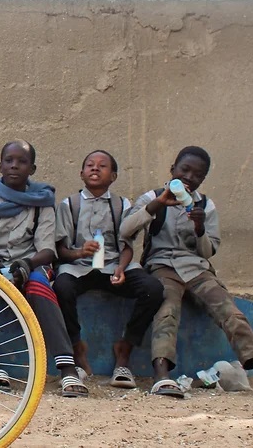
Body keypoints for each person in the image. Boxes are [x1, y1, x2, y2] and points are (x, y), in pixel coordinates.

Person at [119, 146, 253, 399]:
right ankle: (162, 376)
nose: (189, 177)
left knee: (229, 312)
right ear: (172, 169)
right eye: (184, 170)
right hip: (163, 266)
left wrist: (199, 228)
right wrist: (157, 204)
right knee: (167, 312)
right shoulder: (152, 197)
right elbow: (125, 230)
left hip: (197, 269)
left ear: (202, 179)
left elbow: (208, 251)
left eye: (197, 174)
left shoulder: (205, 205)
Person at [0, 140, 89, 397]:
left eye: (22, 162)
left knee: (40, 287)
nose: (14, 166)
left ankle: (67, 368)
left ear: (33, 169)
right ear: (0, 165)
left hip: (29, 263)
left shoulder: (42, 201)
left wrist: (27, 264)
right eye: (9, 161)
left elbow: (48, 250)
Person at [52, 150, 164, 389]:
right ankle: (76, 347)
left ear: (113, 176)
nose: (95, 168)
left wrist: (122, 269)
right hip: (78, 267)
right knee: (61, 287)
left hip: (112, 265)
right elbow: (61, 250)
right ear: (81, 173)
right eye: (90, 165)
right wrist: (80, 252)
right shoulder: (69, 205)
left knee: (152, 288)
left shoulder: (121, 204)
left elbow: (126, 246)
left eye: (102, 166)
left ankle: (125, 349)